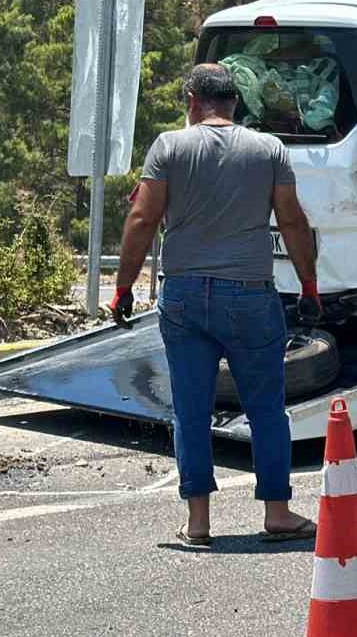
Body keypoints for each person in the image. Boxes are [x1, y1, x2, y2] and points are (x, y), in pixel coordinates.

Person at [111, 63, 321, 547]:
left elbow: (142, 219)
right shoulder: (268, 149)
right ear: (235, 103)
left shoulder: (169, 147)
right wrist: (309, 285)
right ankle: (278, 513)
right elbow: (292, 220)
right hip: (249, 293)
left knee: (190, 410)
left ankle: (199, 524)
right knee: (266, 408)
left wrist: (123, 288)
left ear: (191, 102)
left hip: (184, 295)